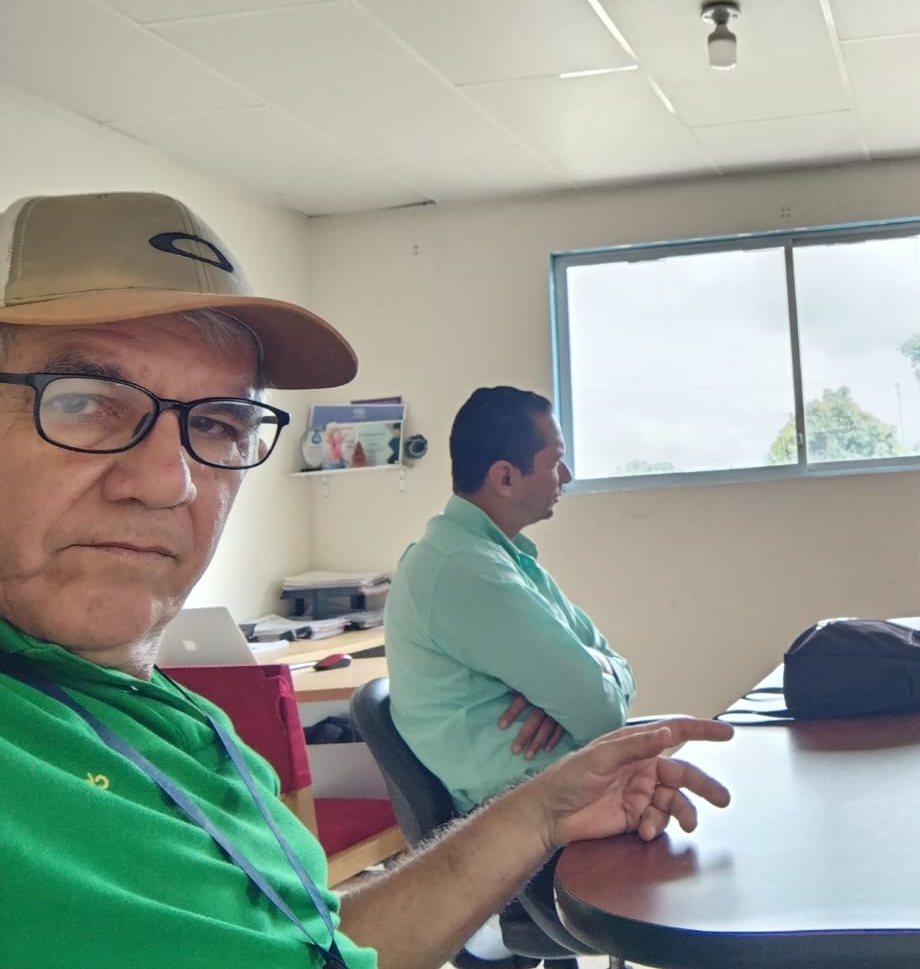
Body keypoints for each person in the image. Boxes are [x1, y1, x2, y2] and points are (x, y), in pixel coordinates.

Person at [0, 191, 731, 969]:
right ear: (505, 474)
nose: (167, 481)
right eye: (84, 403)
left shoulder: (190, 726)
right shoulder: (464, 568)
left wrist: (539, 812)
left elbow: (318, 944)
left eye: (217, 423)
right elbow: (597, 697)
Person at [386, 386, 635, 813]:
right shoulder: (464, 569)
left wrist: (594, 668)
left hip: (566, 796)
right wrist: (580, 685)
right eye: (554, 462)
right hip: (526, 820)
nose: (566, 476)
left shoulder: (503, 557)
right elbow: (602, 715)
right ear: (505, 477)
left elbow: (619, 669)